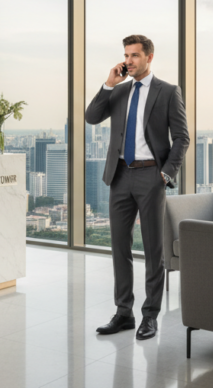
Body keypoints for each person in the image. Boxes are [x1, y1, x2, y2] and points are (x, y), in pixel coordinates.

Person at [84, 34, 189, 340]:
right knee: (119, 246)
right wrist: (108, 84)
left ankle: (150, 315)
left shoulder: (167, 91)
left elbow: (182, 137)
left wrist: (165, 174)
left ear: (148, 58)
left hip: (150, 176)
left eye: (134, 55)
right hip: (119, 175)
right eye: (126, 55)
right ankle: (123, 312)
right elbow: (91, 117)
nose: (128, 60)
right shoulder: (119, 90)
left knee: (153, 247)